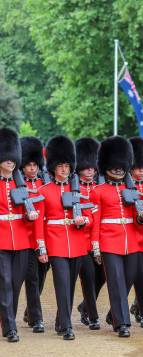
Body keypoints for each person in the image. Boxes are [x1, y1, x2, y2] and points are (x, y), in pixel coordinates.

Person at [34, 135, 93, 340]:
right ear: (53, 168)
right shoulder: (44, 191)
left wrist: (83, 221)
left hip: (76, 243)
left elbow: (90, 217)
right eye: (60, 166)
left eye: (67, 166)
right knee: (61, 283)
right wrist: (41, 248)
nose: (64, 170)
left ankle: (61, 321)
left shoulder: (77, 190)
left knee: (71, 284)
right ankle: (67, 326)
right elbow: (39, 222)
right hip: (55, 242)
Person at [90, 136, 143, 337]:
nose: (119, 169)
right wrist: (96, 246)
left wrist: (141, 218)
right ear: (106, 167)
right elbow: (96, 221)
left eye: (122, 166)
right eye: (115, 166)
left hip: (130, 242)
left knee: (128, 279)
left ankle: (115, 314)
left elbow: (139, 222)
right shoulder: (98, 191)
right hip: (109, 242)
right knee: (116, 282)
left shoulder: (132, 190)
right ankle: (121, 323)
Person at [0, 128, 37, 343]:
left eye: (13, 159)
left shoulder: (19, 183)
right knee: (4, 282)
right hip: (1, 239)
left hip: (21, 239)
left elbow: (25, 209)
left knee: (15, 283)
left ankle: (7, 321)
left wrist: (30, 214)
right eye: (7, 159)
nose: (11, 163)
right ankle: (11, 328)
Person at [19, 136, 48, 333]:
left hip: (46, 239)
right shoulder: (18, 185)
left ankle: (31, 312)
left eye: (34, 164)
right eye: (28, 165)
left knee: (41, 278)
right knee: (32, 278)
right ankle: (36, 318)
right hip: (26, 240)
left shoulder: (43, 184)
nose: (32, 168)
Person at [74, 137, 103, 331]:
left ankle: (85, 305)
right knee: (89, 277)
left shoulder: (99, 187)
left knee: (102, 276)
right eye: (86, 168)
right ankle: (91, 315)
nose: (90, 170)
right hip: (82, 241)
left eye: (92, 167)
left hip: (101, 239)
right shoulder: (75, 188)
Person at [126, 136, 143, 327]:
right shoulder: (126, 187)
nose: (141, 171)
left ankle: (139, 307)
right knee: (134, 276)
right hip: (133, 236)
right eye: (137, 168)